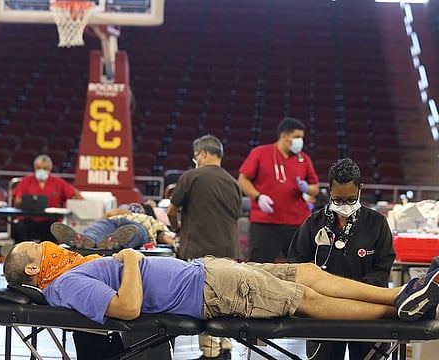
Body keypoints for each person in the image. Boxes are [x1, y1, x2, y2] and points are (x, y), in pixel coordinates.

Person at [3, 241, 439, 327]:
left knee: (306, 272)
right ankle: (399, 313)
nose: (47, 245)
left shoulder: (72, 269)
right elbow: (127, 309)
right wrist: (132, 260)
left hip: (207, 271)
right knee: (301, 297)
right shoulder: (66, 284)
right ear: (30, 270)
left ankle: (402, 294)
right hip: (209, 291)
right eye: (37, 249)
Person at [287, 158, 396, 360]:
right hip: (323, 312)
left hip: (366, 309)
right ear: (329, 190)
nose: (344, 205)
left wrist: (356, 294)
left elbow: (383, 266)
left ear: (360, 190)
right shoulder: (314, 223)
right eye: (338, 200)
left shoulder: (377, 223)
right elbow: (295, 263)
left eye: (350, 199)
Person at [167, 134, 242, 360]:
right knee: (226, 299)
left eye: (196, 155)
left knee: (203, 300)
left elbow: (171, 210)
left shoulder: (192, 176)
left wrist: (177, 228)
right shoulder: (233, 182)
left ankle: (210, 352)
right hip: (229, 250)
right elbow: (235, 215)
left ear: (202, 154)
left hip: (200, 250)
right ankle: (227, 345)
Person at [238, 116, 320, 263]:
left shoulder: (304, 159)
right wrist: (258, 197)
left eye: (301, 137)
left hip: (296, 222)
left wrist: (307, 188)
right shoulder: (260, 153)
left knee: (301, 267)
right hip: (265, 223)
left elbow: (315, 189)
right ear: (284, 136)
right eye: (296, 137)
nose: (300, 141)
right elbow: (243, 179)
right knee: (258, 268)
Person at [12, 154, 83, 243]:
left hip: (49, 222)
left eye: (44, 168)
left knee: (56, 230)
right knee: (19, 229)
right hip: (28, 221)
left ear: (50, 169)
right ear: (34, 168)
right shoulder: (26, 181)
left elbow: (75, 193)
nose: (41, 170)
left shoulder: (58, 182)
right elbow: (17, 201)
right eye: (38, 168)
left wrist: (77, 205)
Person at [51, 202, 178, 250]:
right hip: (113, 222)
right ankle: (81, 240)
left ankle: (115, 242)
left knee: (136, 232)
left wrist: (173, 242)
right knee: (97, 228)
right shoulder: (120, 211)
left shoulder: (151, 220)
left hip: (139, 227)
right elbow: (101, 220)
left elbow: (163, 235)